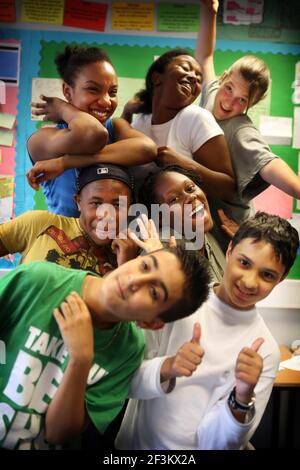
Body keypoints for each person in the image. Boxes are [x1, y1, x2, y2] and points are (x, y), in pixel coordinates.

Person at [115, 212, 299, 450]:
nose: (250, 282)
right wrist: (168, 367)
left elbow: (221, 443)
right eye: (244, 263)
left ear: (281, 278)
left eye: (267, 275)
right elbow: (125, 380)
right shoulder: (178, 302)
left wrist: (241, 399)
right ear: (230, 250)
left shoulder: (264, 352)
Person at [0, 245, 210, 450]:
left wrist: (81, 359)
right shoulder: (40, 280)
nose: (134, 280)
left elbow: (57, 433)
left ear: (151, 323)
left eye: (154, 292)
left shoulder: (129, 350)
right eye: (145, 266)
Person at [196, 0, 300, 251]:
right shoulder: (212, 93)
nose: (229, 101)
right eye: (229, 88)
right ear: (223, 78)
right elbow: (205, 57)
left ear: (251, 104)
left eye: (242, 100)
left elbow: (271, 165)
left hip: (229, 227)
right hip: (199, 215)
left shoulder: (241, 131)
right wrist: (209, 11)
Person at [26, 45, 157, 217]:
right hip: (65, 239)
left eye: (113, 92)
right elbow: (92, 134)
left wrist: (66, 162)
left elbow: (148, 149)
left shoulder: (115, 127)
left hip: (112, 239)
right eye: (93, 89)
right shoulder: (43, 140)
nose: (106, 101)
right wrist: (62, 107)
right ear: (67, 91)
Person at [121, 48, 235, 199]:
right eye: (186, 68)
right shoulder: (141, 120)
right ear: (156, 78)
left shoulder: (195, 118)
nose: (194, 77)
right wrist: (127, 112)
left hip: (184, 221)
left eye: (199, 78)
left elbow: (228, 188)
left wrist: (183, 164)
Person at [0, 164, 138, 275]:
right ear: (78, 202)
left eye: (117, 205)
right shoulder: (39, 223)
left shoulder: (131, 257)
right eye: (96, 204)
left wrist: (127, 267)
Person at [139, 165, 226, 282]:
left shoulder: (207, 237)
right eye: (174, 199)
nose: (190, 197)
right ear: (160, 216)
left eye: (190, 188)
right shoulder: (160, 251)